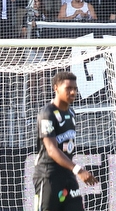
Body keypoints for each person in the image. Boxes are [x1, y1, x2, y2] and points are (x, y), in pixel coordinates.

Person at [33, 71, 97, 210]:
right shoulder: (47, 114)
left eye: (75, 88)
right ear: (56, 88)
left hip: (68, 175)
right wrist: (78, 170)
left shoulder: (71, 113)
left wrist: (73, 171)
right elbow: (51, 150)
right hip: (48, 175)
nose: (73, 92)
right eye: (68, 88)